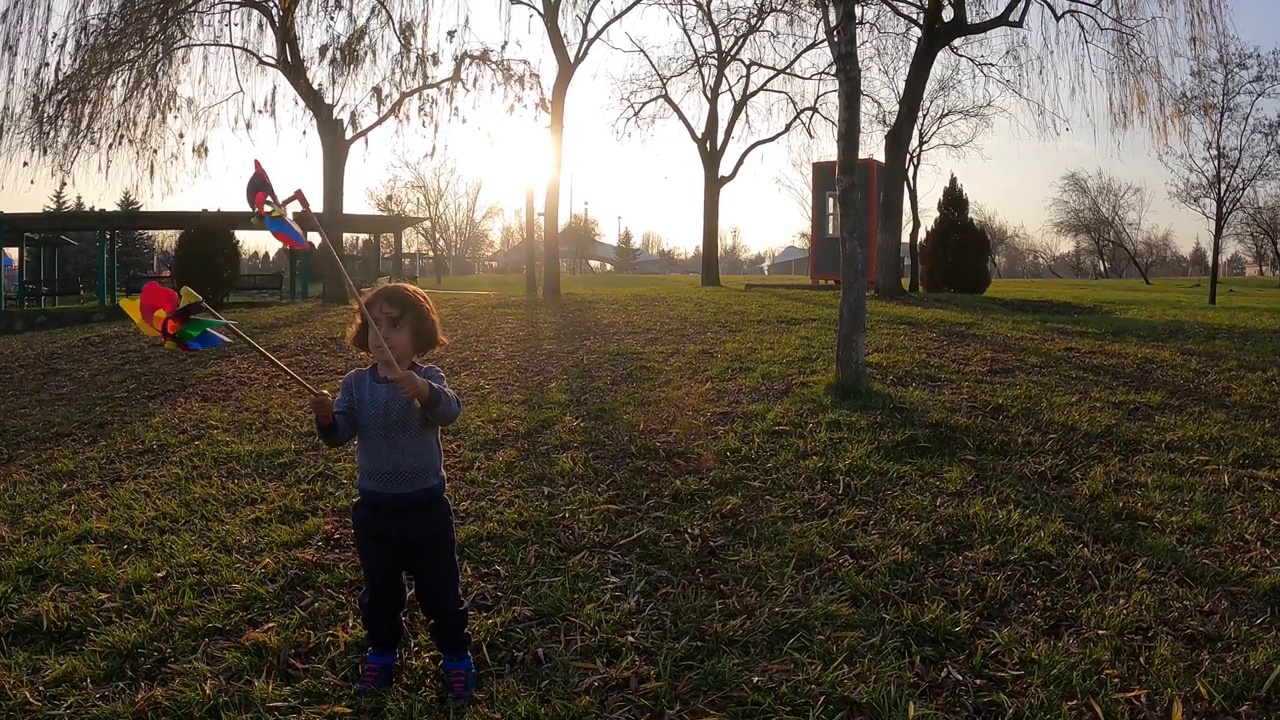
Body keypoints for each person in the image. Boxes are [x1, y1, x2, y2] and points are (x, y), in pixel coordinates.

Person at [309, 282, 476, 701]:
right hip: (375, 513)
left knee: (440, 590)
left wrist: (423, 392)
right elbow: (340, 434)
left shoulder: (428, 378)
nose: (381, 335)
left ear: (418, 332)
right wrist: (327, 418)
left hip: (426, 510)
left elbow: (450, 411)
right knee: (380, 592)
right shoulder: (355, 384)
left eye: (395, 325)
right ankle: (382, 651)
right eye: (373, 324)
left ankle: (456, 656)